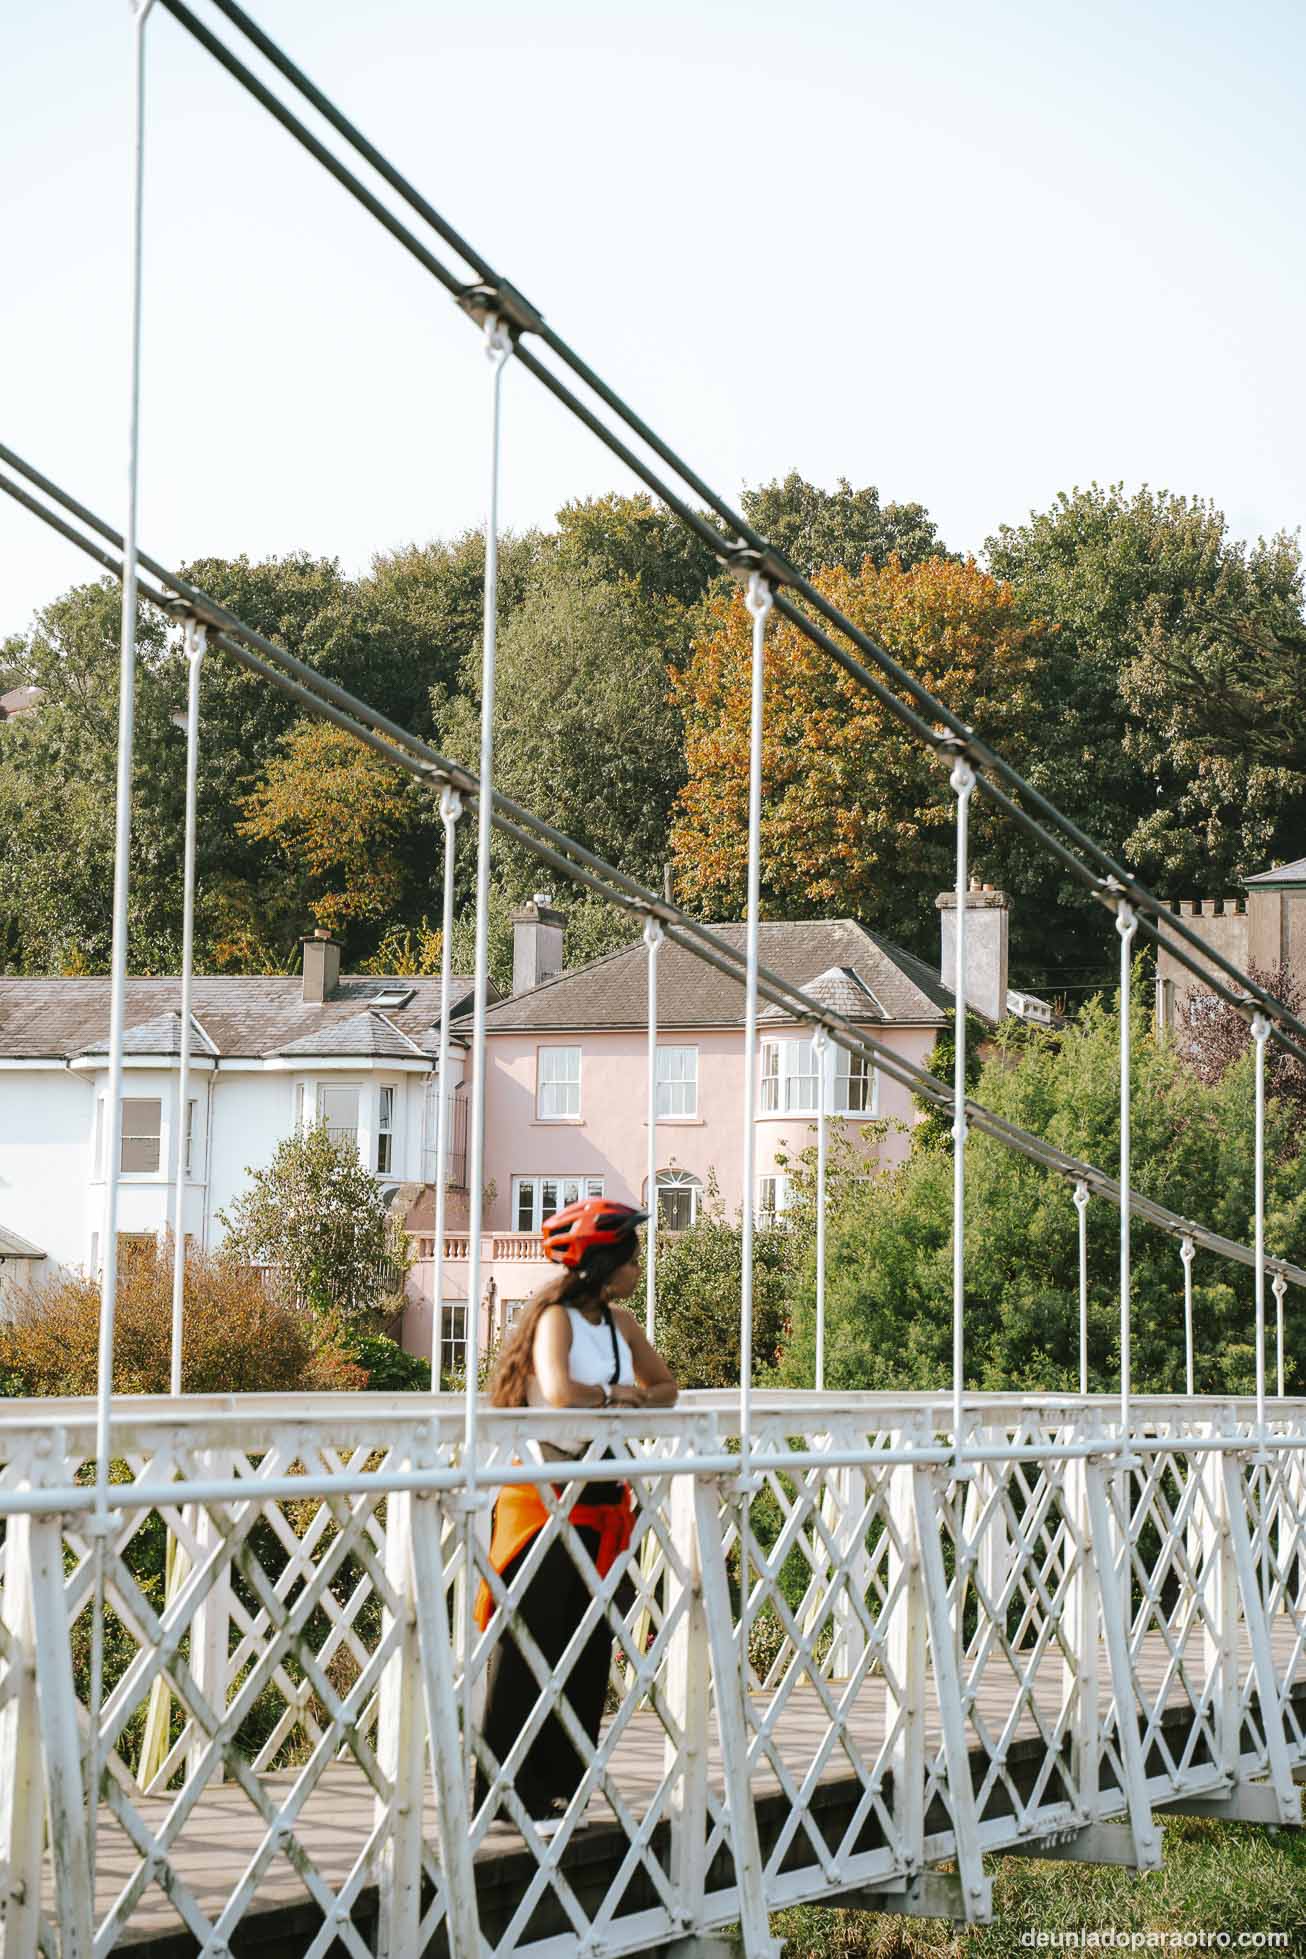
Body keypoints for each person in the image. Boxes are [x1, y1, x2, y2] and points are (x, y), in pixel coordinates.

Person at [472, 1197, 678, 1830]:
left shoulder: (622, 1325)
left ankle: (565, 1787)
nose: (638, 1269)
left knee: (587, 1646)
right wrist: (622, 1398)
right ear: (603, 1261)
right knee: (531, 1639)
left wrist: (621, 1399)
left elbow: (666, 1390)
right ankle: (505, 1791)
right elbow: (559, 1394)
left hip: (600, 1497)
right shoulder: (556, 1319)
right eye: (630, 1257)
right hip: (544, 1497)